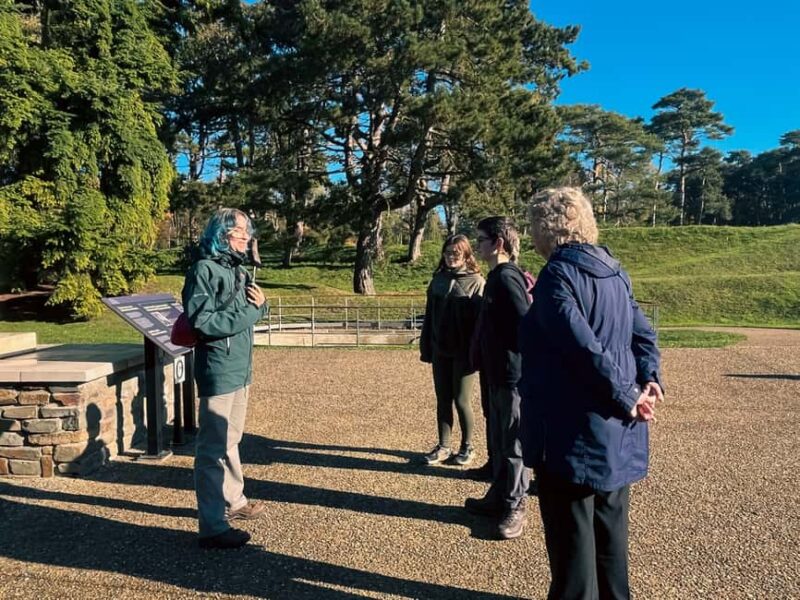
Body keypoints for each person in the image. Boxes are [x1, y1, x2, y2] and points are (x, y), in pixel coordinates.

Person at [519, 187, 663, 599]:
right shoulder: (616, 272)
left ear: (544, 229)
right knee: (610, 539)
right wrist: (648, 379)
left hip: (570, 431)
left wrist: (628, 395)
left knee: (572, 550)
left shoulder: (557, 276)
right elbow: (643, 334)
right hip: (617, 429)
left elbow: (582, 346)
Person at [181, 208, 268, 549]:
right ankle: (213, 525)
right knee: (212, 449)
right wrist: (253, 311)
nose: (246, 237)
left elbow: (256, 308)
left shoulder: (239, 270)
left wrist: (261, 306)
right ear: (221, 234)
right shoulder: (204, 270)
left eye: (247, 231)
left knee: (231, 439)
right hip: (218, 369)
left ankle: (234, 500)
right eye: (238, 232)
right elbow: (204, 322)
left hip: (239, 369)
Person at [464, 217, 531, 540]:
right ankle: (500, 495)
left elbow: (527, 324)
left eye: (481, 239)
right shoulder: (495, 277)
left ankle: (516, 504)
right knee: (501, 440)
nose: (477, 245)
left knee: (514, 442)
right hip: (495, 374)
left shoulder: (506, 278)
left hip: (511, 375)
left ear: (498, 243)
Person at [419, 235, 485, 466]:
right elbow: (429, 317)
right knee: (443, 399)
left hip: (464, 353)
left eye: (456, 253)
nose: (451, 257)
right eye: (447, 252)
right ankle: (444, 446)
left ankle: (468, 446)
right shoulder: (438, 280)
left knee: (461, 400)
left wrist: (477, 353)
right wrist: (426, 345)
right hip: (440, 350)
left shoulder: (476, 282)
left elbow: (481, 323)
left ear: (466, 254)